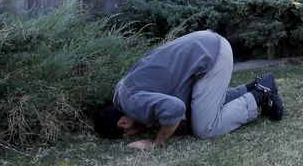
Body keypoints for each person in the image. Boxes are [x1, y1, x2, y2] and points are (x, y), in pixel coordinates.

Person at [95, 30, 283, 149]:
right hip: (206, 47)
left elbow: (175, 109)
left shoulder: (132, 103)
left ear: (123, 124)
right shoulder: (122, 92)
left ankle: (260, 94)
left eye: (127, 136)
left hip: (212, 55)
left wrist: (155, 143)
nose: (132, 135)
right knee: (198, 112)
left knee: (205, 128)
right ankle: (253, 87)